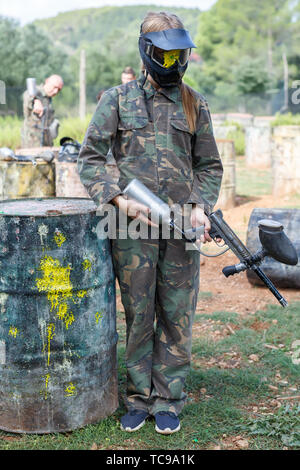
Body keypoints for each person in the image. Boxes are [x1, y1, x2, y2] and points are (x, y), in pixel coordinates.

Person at [77, 11, 223, 435]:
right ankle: (139, 397)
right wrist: (119, 199)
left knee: (177, 315)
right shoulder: (116, 100)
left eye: (180, 53)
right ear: (147, 51)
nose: (173, 61)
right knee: (139, 314)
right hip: (132, 229)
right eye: (166, 52)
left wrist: (199, 204)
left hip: (181, 228)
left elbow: (209, 165)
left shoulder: (195, 103)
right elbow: (90, 159)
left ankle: (169, 399)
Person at [22, 74, 64, 147]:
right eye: (55, 87)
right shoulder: (35, 91)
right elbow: (27, 95)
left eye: (59, 89)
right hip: (32, 144)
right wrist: (35, 100)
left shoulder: (49, 99)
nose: (56, 91)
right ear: (47, 81)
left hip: (46, 143)